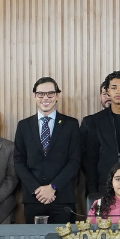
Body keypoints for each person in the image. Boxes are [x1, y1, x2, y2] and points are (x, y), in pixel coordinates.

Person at [14, 77, 83, 224]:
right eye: (41, 94)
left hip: (62, 198)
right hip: (34, 198)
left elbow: (74, 161)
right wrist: (37, 189)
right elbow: (19, 161)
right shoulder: (24, 126)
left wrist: (53, 187)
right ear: (34, 96)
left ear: (57, 95)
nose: (45, 98)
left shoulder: (71, 124)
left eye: (50, 93)